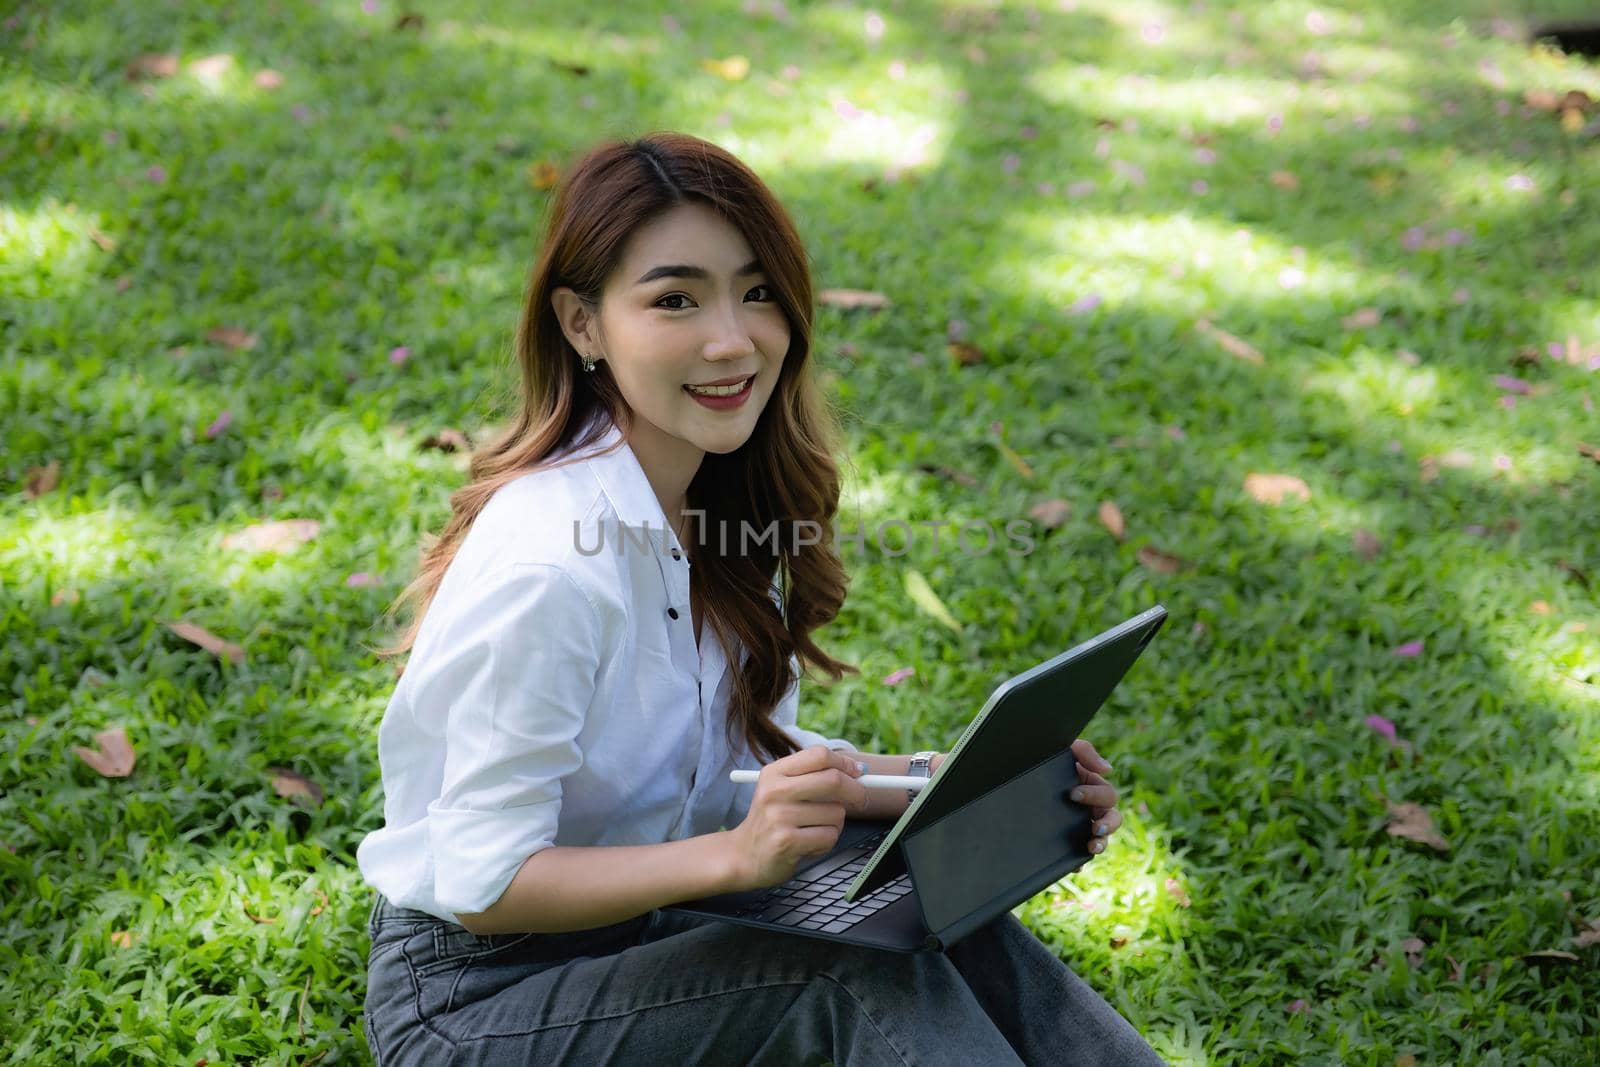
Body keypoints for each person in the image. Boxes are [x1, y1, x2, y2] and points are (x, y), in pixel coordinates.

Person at [356, 131, 1164, 1066]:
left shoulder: (711, 511)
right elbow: (482, 880)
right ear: (582, 325)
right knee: (836, 976)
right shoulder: (550, 564)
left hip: (654, 926)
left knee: (924, 906)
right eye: (674, 299)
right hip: (482, 998)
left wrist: (950, 784)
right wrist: (737, 860)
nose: (732, 338)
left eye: (756, 291)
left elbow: (722, 770)